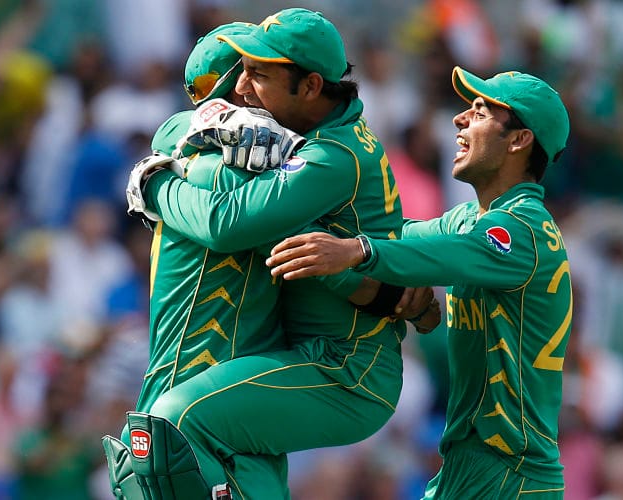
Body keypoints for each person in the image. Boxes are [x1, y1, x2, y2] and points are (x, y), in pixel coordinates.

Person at [104, 18, 436, 500]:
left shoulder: (322, 156)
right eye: (235, 77)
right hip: (279, 362)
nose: (238, 93)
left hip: (341, 369)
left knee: (171, 429)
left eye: (255, 74)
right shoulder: (238, 152)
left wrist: (155, 185)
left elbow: (227, 225)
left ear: (310, 86)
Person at [267, 66, 573, 499]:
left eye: (481, 111)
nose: (459, 118)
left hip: (513, 475)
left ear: (520, 140)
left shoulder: (523, 229)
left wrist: (356, 250)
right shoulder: (469, 219)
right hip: (466, 469)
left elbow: (428, 255)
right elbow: (400, 238)